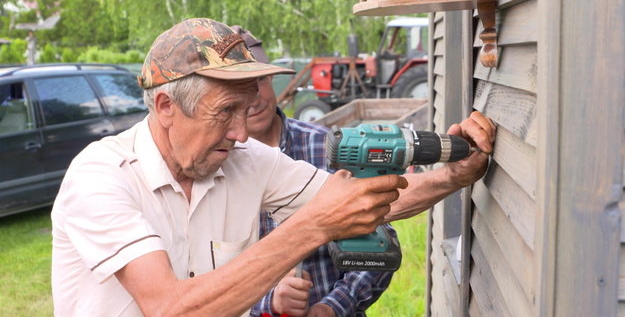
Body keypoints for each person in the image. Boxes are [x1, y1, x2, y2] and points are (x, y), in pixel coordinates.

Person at [51, 17, 495, 317]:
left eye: (247, 110)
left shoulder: (243, 161)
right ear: (166, 105)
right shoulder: (101, 176)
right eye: (225, 111)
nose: (242, 133)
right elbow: (170, 308)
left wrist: (454, 174)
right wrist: (311, 228)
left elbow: (358, 202)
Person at [231, 25, 396, 317]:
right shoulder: (215, 167)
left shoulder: (329, 147)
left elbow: (379, 248)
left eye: (260, 82)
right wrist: (268, 303)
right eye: (238, 90)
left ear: (272, 79)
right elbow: (201, 282)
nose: (254, 99)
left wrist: (332, 307)